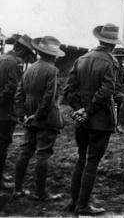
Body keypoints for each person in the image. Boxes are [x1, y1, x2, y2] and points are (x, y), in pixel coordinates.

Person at [63, 23, 121, 216]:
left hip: (82, 119)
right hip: (100, 120)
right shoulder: (111, 62)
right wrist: (89, 110)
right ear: (112, 44)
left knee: (81, 157)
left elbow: (68, 89)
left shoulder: (81, 59)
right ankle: (83, 205)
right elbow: (106, 91)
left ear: (99, 39)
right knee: (92, 161)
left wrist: (80, 109)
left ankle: (73, 201)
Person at [13, 36, 65, 200]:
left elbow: (19, 94)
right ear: (54, 55)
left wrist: (24, 114)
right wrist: (38, 115)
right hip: (46, 118)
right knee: (43, 153)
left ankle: (17, 189)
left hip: (29, 116)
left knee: (26, 151)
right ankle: (40, 193)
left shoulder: (29, 69)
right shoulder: (52, 70)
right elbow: (49, 97)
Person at [0, 34, 34, 190]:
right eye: (26, 53)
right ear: (20, 49)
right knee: (2, 145)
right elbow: (13, 89)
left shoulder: (3, 58)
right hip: (5, 113)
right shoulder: (15, 63)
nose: (26, 57)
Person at [112, 47, 124, 134]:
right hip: (112, 91)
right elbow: (111, 83)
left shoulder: (122, 68)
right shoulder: (112, 67)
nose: (123, 59)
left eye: (123, 57)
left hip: (120, 91)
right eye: (120, 57)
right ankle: (120, 124)